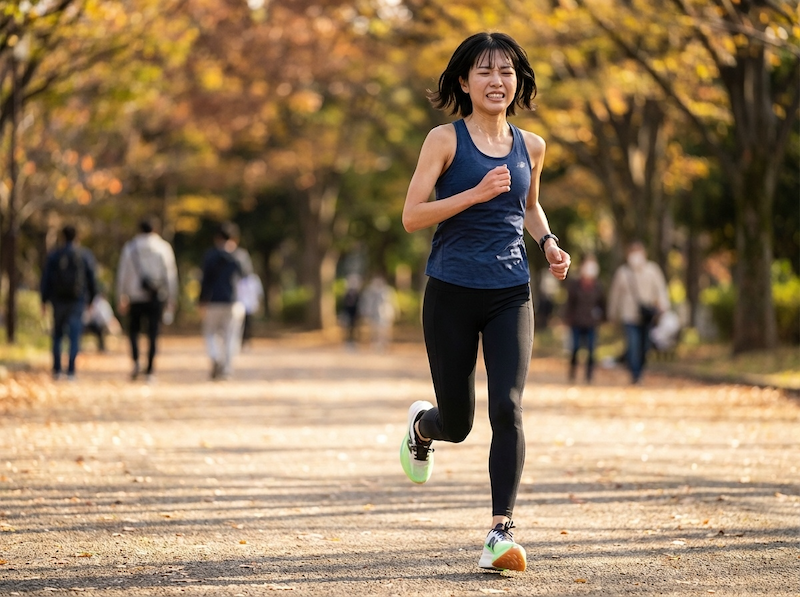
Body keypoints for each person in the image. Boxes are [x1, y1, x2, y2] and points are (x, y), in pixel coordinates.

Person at [399, 32, 571, 572]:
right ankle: (422, 427)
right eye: (485, 72)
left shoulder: (532, 146)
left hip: (509, 293)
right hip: (450, 292)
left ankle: (500, 532)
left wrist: (548, 243)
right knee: (459, 421)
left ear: (518, 81)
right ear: (464, 82)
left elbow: (530, 208)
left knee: (509, 408)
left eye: (507, 72)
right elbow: (411, 216)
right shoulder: (444, 141)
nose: (497, 81)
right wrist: (474, 194)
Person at [116, 218, 179, 382]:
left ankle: (136, 362)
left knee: (134, 331)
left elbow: (123, 273)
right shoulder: (163, 247)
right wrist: (172, 297)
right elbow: (170, 274)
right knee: (153, 333)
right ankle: (150, 369)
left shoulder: (130, 247)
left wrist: (121, 295)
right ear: (155, 229)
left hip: (135, 296)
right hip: (156, 297)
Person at [40, 224, 98, 380]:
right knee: (74, 335)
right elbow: (91, 279)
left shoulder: (54, 256)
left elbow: (46, 279)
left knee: (57, 334)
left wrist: (43, 300)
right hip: (77, 301)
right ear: (77, 237)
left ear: (62, 237)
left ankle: (57, 370)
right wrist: (91, 299)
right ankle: (71, 371)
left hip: (58, 300)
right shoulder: (84, 255)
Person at [607, 240, 670, 384]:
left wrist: (663, 306)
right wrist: (612, 314)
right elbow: (615, 295)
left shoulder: (652, 270)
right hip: (629, 315)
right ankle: (635, 375)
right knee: (633, 345)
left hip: (647, 316)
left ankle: (640, 370)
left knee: (645, 347)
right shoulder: (622, 273)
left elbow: (660, 290)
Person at [199, 221, 248, 380]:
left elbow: (205, 280)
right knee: (231, 336)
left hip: (213, 301)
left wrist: (202, 300)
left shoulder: (210, 255)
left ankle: (214, 356)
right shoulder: (240, 256)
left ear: (217, 237)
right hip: (234, 302)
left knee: (211, 333)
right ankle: (226, 369)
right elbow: (247, 280)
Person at [563, 254, 606, 383]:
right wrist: (567, 318)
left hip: (592, 322)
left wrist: (603, 318)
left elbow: (603, 304)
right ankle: (573, 373)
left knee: (591, 350)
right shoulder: (575, 284)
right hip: (576, 321)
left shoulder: (598, 286)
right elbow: (569, 303)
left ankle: (589, 376)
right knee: (575, 348)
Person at [361, 275, 397, 352]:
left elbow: (392, 302)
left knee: (384, 331)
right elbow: (366, 303)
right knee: (374, 330)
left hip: (385, 314)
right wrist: (366, 313)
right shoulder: (369, 291)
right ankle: (375, 344)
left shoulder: (388, 290)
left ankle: (384, 344)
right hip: (373, 314)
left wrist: (393, 313)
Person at [237, 271, 264, 348]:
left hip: (250, 306)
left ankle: (246, 340)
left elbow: (259, 292)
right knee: (240, 325)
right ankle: (241, 341)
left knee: (248, 325)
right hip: (240, 305)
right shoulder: (239, 277)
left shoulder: (254, 279)